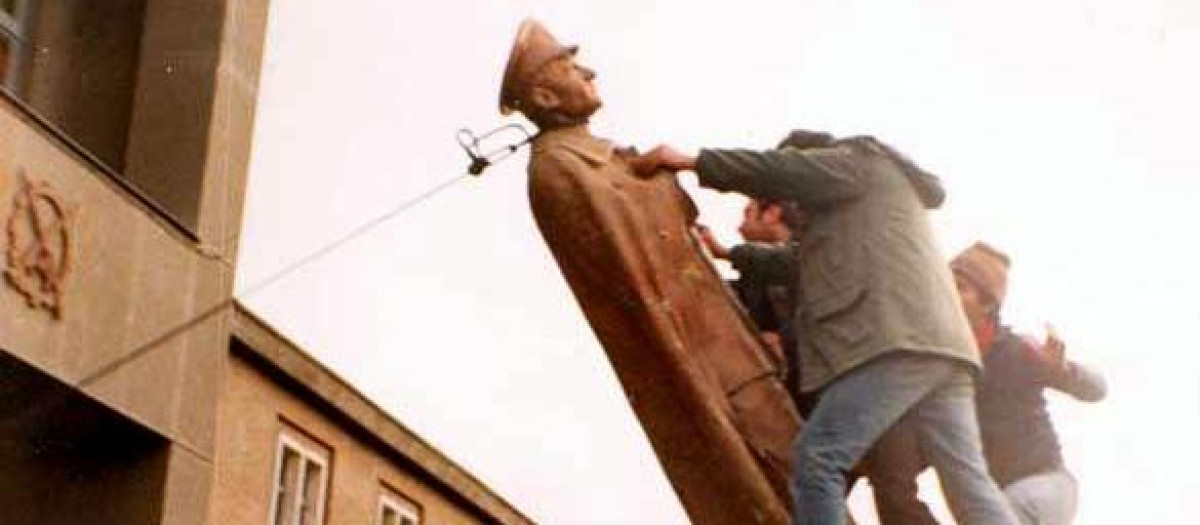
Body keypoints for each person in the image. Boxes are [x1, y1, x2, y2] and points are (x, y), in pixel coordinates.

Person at [497, 19, 799, 523]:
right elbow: (627, 274)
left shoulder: (602, 157)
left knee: (801, 466)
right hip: (696, 350)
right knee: (771, 477)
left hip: (724, 339)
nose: (588, 72)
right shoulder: (559, 168)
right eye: (570, 67)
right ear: (545, 97)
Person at [631, 133, 1018, 524]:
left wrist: (693, 161)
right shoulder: (859, 210)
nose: (790, 204)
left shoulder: (859, 163)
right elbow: (800, 262)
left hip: (900, 344)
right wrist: (729, 253)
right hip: (945, 350)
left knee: (819, 457)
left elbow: (783, 170)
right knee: (968, 483)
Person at [701, 195, 939, 525]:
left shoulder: (816, 258)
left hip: (869, 397)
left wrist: (726, 253)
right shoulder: (760, 280)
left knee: (894, 495)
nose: (741, 220)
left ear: (772, 213)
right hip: (818, 409)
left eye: (749, 211)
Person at [951, 242, 1106, 525]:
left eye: (960, 287)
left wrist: (1062, 370)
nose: (947, 294)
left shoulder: (1018, 349)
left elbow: (1097, 389)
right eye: (944, 284)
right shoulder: (945, 364)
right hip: (992, 498)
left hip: (1043, 485)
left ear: (987, 304)